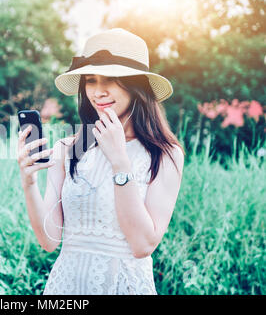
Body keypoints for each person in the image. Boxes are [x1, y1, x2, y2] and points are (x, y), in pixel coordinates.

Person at [16, 28, 185, 295]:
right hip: (66, 288)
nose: (98, 91)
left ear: (136, 85)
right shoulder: (68, 148)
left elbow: (142, 245)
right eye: (91, 80)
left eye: (110, 79)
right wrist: (29, 183)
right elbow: (48, 241)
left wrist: (120, 162)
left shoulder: (165, 153)